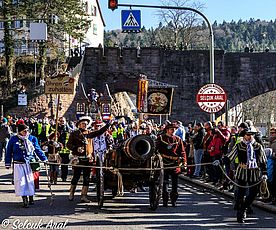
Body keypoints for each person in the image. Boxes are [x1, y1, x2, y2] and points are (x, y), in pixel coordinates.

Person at [223, 127, 267, 223]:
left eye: (251, 134)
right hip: (242, 171)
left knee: (253, 193)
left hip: (254, 171)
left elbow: (263, 161)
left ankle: (244, 208)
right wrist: (222, 160)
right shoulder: (239, 146)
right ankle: (241, 212)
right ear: (244, 135)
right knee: (240, 193)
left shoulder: (258, 146)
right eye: (248, 134)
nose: (249, 136)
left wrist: (264, 173)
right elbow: (230, 156)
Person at [66, 116, 111, 203]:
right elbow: (68, 145)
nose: (85, 125)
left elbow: (100, 131)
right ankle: (71, 193)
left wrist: (108, 125)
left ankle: (84, 195)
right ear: (79, 125)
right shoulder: (74, 133)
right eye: (83, 124)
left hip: (88, 159)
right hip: (78, 159)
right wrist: (76, 148)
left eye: (86, 124)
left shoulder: (90, 133)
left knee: (87, 178)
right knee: (76, 176)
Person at [5, 123, 48, 208]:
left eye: (27, 130)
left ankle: (31, 197)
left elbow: (37, 150)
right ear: (19, 131)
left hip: (29, 164)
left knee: (30, 181)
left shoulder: (32, 138)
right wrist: (8, 163)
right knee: (21, 182)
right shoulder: (13, 139)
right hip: (18, 164)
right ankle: (24, 199)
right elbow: (9, 151)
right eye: (24, 131)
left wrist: (44, 159)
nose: (26, 132)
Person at [156, 123, 187, 207]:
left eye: (174, 129)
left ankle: (174, 200)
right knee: (164, 183)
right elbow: (156, 150)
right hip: (164, 163)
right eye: (171, 129)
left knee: (175, 184)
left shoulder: (178, 139)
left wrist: (183, 163)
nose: (173, 130)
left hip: (175, 164)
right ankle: (165, 200)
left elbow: (182, 152)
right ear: (167, 130)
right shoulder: (161, 138)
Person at [267, 127, 276, 204]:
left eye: (273, 133)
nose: (271, 134)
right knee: (270, 181)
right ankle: (270, 196)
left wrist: (273, 154)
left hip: (274, 163)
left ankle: (273, 197)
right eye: (271, 133)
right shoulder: (270, 141)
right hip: (270, 163)